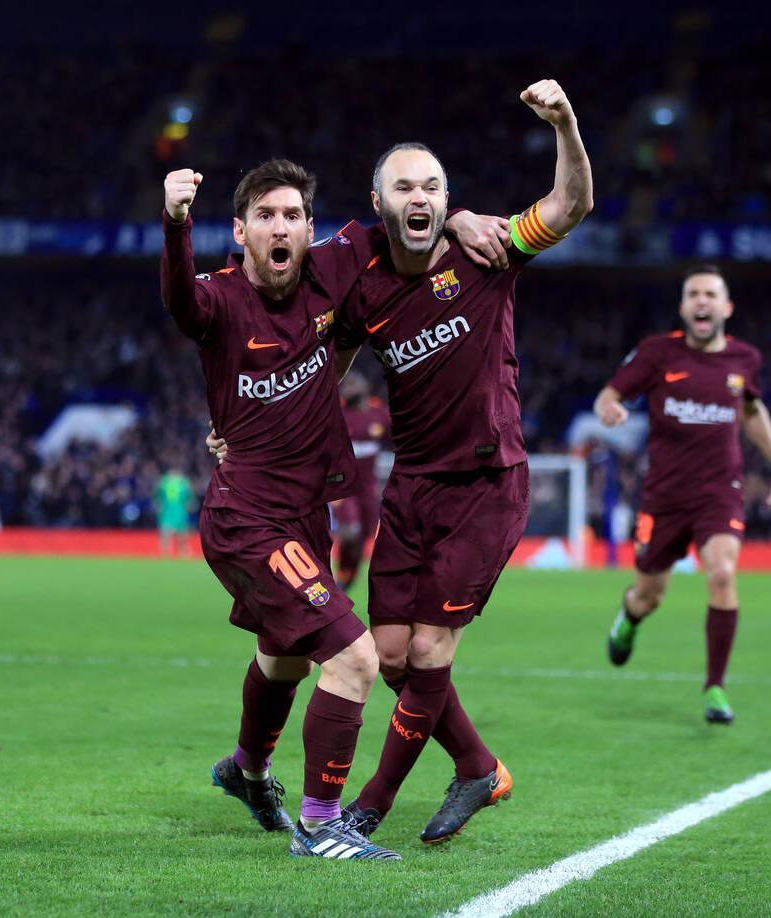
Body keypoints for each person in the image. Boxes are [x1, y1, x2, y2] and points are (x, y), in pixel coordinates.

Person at [162, 159, 503, 860]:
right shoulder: (219, 299)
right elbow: (178, 303)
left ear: (310, 230)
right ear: (241, 231)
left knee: (283, 658)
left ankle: (247, 771)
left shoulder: (335, 264)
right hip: (246, 517)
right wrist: (174, 224)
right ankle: (321, 825)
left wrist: (461, 220)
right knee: (354, 658)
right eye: (265, 217)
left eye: (292, 216)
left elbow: (404, 227)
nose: (280, 227)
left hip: (306, 515)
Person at [331, 79, 594, 845]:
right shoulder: (365, 285)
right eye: (404, 185)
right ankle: (477, 765)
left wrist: (566, 125)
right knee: (388, 655)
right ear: (378, 200)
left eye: (434, 185)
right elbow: (327, 370)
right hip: (411, 484)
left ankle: (370, 804)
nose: (421, 196)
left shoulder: (486, 250)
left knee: (430, 650)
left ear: (448, 198)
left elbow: (570, 206)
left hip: (487, 482)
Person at [593, 265, 771, 724]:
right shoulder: (657, 352)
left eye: (710, 294)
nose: (702, 301)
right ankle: (629, 617)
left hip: (719, 491)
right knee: (649, 595)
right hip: (663, 496)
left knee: (722, 573)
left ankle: (715, 688)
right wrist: (609, 409)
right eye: (693, 294)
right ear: (683, 306)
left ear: (726, 307)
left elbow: (751, 409)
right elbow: (609, 394)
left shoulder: (744, 360)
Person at [333, 372, 390, 590]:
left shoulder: (379, 413)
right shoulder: (337, 413)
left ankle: (347, 577)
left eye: (353, 383)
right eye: (345, 384)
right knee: (350, 533)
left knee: (363, 536)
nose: (347, 387)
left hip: (369, 488)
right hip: (343, 487)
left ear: (366, 387)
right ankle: (340, 577)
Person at [154, 466, 194, 557]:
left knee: (182, 532)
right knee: (166, 532)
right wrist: (158, 504)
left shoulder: (183, 482)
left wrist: (189, 503)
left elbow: (189, 496)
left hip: (180, 510)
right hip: (167, 511)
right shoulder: (164, 482)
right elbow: (156, 495)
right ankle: (165, 552)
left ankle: (183, 551)